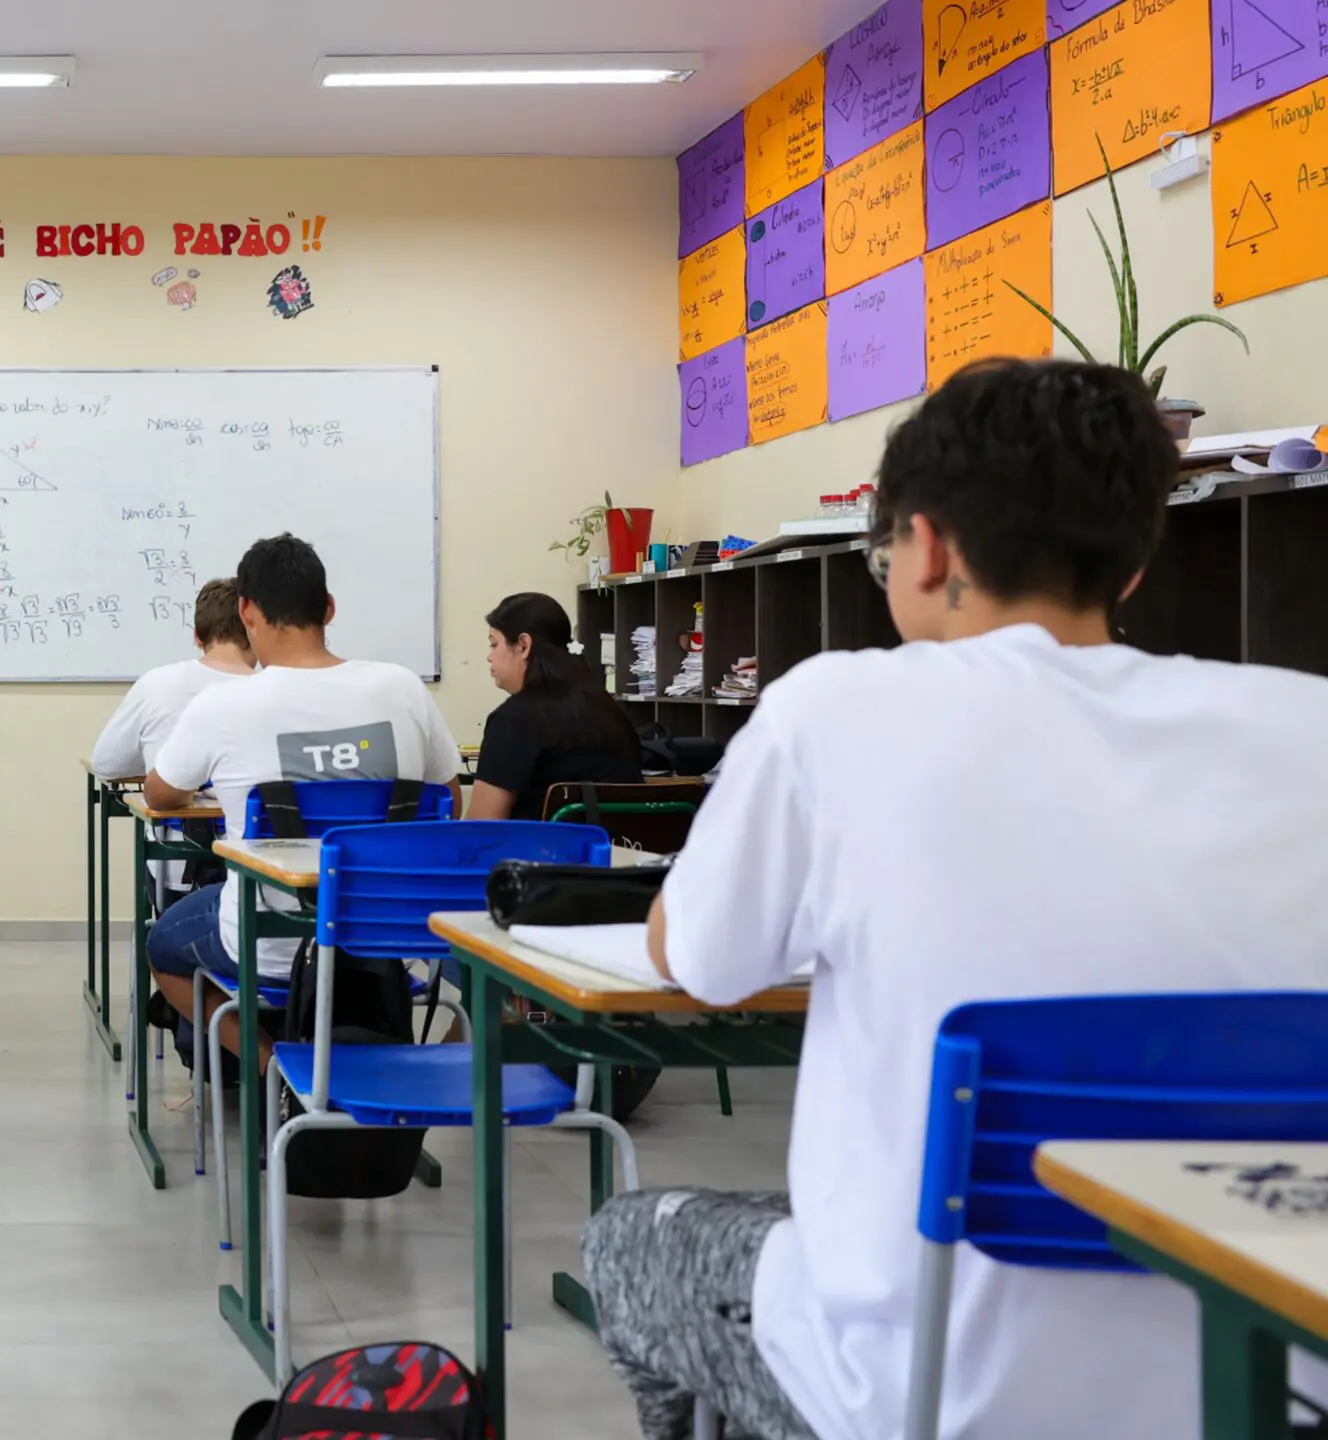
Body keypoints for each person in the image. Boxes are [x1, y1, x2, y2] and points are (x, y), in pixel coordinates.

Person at [586, 358, 1328, 1440]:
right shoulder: (1306, 725)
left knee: (631, 1241)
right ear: (1131, 568)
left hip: (936, 1390)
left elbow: (697, 958)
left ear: (925, 547)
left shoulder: (835, 709)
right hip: (1268, 1380)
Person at [141, 535, 460, 1066]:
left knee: (163, 946)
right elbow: (449, 803)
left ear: (246, 612)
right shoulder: (403, 688)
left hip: (266, 945)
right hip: (389, 941)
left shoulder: (222, 704)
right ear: (328, 608)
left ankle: (276, 1071)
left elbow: (160, 793)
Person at [467, 592, 641, 820]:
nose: (489, 656)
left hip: (545, 844)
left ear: (523, 645)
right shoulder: (609, 711)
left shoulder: (514, 720)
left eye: (494, 644)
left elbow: (480, 827)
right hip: (622, 843)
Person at [90, 577, 253, 781]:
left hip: (172, 799)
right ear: (256, 631)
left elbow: (106, 765)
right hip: (260, 802)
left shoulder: (155, 684)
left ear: (197, 637)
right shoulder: (276, 691)